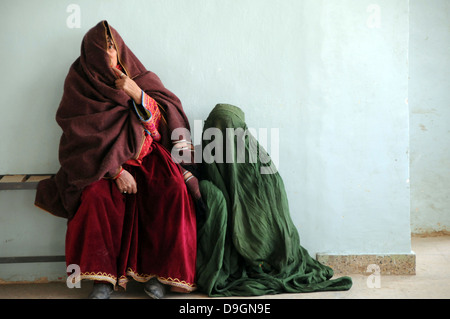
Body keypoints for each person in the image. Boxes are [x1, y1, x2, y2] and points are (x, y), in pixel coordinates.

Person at [35, 21, 200, 299]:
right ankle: (103, 279)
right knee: (95, 198)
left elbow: (160, 129)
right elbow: (78, 139)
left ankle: (157, 274)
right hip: (101, 163)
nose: (110, 53)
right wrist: (114, 171)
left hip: (147, 155)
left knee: (171, 190)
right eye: (103, 47)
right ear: (91, 52)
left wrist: (136, 92)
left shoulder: (140, 77)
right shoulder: (79, 83)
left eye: (113, 46)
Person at [196, 104, 353, 296]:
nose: (224, 137)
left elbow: (273, 216)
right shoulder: (205, 156)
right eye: (217, 130)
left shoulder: (261, 163)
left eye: (230, 131)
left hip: (270, 250)